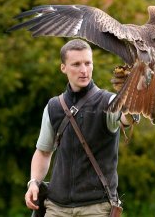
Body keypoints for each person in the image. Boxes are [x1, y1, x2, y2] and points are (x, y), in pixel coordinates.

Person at [24, 39, 138, 217]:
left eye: (87, 63)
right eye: (76, 64)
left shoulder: (108, 102)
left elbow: (126, 118)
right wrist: (33, 182)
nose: (84, 70)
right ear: (63, 67)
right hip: (56, 207)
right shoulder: (54, 106)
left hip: (96, 208)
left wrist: (132, 98)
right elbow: (43, 152)